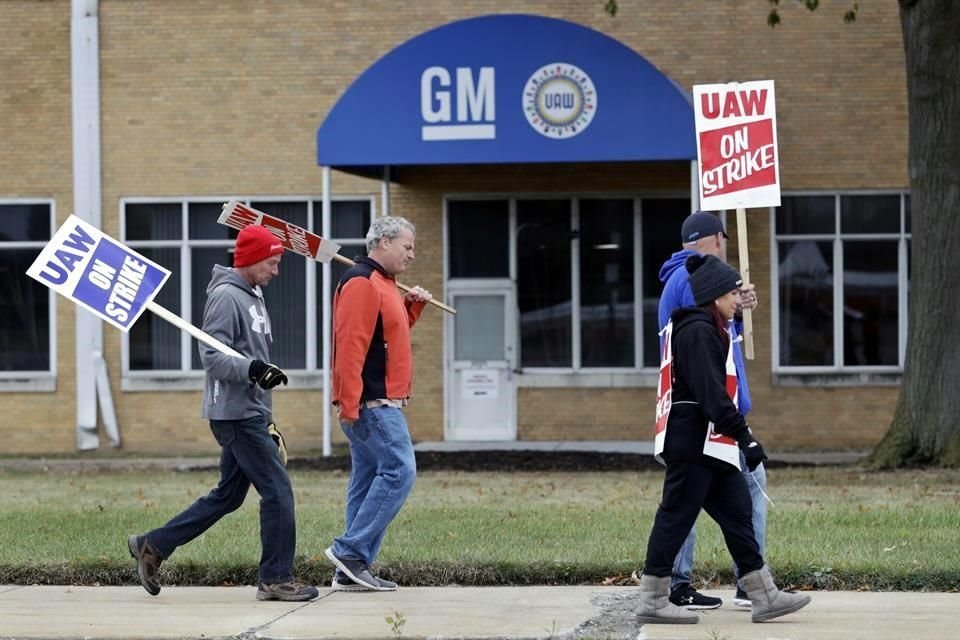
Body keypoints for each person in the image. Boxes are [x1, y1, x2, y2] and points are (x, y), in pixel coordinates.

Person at [127, 224, 318, 602]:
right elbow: (212, 356)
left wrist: (265, 412)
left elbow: (252, 361)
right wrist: (252, 370)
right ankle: (275, 579)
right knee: (278, 493)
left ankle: (152, 545)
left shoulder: (253, 295)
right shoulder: (227, 298)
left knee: (228, 497)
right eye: (273, 262)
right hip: (234, 414)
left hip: (250, 411)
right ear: (251, 258)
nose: (277, 271)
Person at [636, 254, 811, 625]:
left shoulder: (712, 328)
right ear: (715, 296)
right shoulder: (696, 332)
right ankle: (653, 598)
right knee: (675, 516)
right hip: (692, 442)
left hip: (711, 445)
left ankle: (763, 595)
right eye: (733, 293)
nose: (738, 299)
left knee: (737, 512)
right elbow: (711, 394)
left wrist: (734, 437)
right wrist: (744, 435)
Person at [656, 211, 764, 610]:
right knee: (684, 503)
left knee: (692, 501)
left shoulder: (686, 279)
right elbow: (703, 352)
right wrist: (739, 428)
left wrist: (738, 304)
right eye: (731, 294)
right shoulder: (690, 281)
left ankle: (750, 584)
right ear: (717, 238)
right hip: (706, 418)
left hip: (708, 415)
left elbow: (718, 331)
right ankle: (738, 585)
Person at [325, 216, 432, 592]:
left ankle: (350, 570)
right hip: (371, 403)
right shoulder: (360, 282)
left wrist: (411, 307)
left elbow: (386, 335)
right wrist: (349, 403)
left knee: (368, 478)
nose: (412, 254)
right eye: (407, 247)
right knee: (400, 471)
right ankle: (350, 551)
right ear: (383, 243)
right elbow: (351, 345)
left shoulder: (384, 284)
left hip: (380, 400)